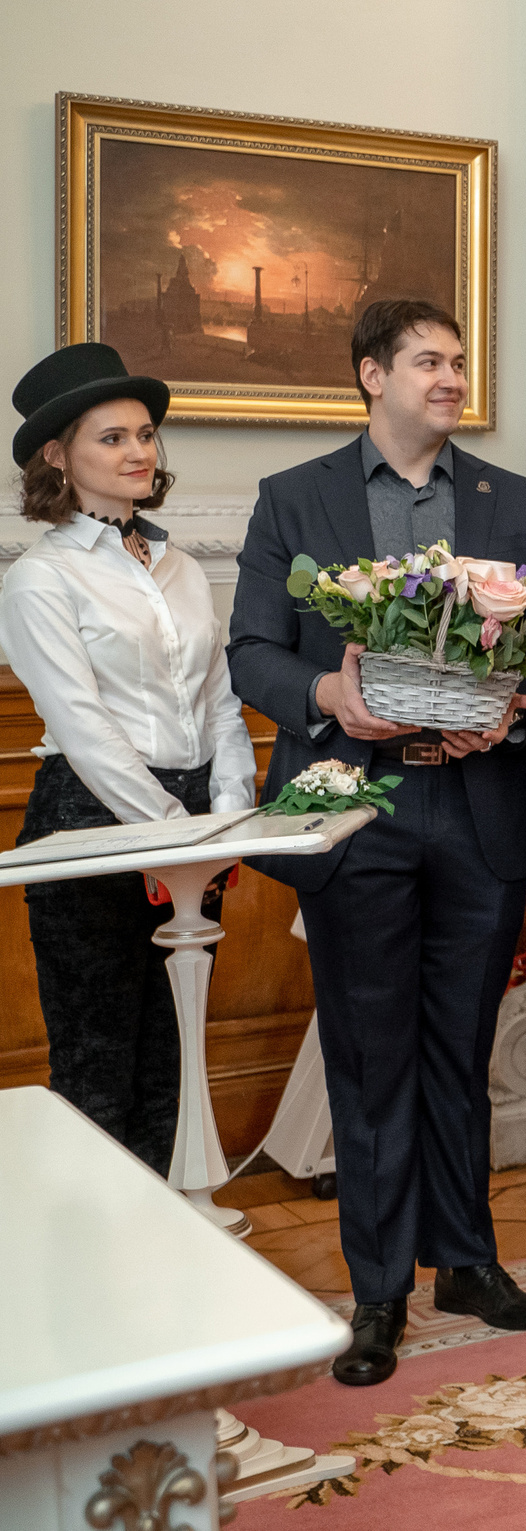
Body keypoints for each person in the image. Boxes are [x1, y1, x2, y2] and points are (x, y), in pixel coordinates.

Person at [228, 299, 526, 1387]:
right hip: (355, 810)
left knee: (461, 1055)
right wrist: (327, 689)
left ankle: (466, 1259)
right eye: (429, 360)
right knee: (372, 1060)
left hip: (475, 809)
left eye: (460, 360)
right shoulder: (296, 499)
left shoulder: (508, 502)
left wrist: (509, 708)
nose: (452, 377)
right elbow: (251, 654)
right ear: (371, 375)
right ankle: (378, 1290)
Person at [0, 344, 254, 1172]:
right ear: (57, 455)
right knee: (97, 1062)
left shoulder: (181, 566)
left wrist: (228, 813)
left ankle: (172, 1255)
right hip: (90, 819)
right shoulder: (41, 577)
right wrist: (174, 833)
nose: (139, 451)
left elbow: (219, 697)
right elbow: (84, 727)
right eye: (111, 438)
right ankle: (93, 1268)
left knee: (171, 1053)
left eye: (145, 434)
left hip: (190, 822)